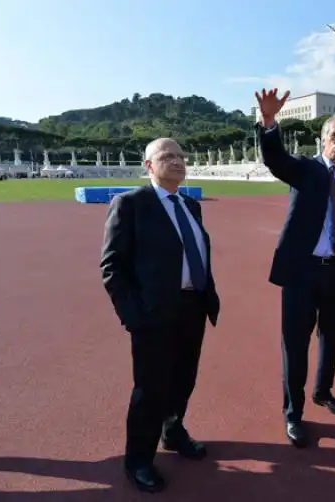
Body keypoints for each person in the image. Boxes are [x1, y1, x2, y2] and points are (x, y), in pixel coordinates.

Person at [100, 138, 220, 493]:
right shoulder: (131, 204)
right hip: (153, 314)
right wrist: (133, 316)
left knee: (184, 379)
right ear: (148, 166)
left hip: (192, 307)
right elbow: (112, 266)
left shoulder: (190, 205)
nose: (177, 161)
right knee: (150, 388)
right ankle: (137, 459)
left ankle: (173, 429)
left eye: (181, 155)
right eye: (167, 156)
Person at [254, 88, 335, 448]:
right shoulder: (304, 169)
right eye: (334, 134)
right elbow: (274, 159)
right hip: (301, 272)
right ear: (323, 139)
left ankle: (323, 391)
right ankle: (293, 413)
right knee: (295, 344)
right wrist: (269, 123)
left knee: (330, 337)